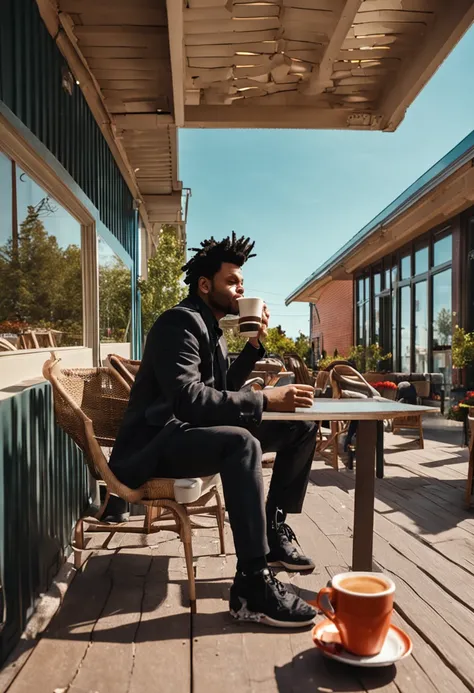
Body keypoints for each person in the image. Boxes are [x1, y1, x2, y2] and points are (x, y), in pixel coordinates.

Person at [110, 233, 318, 628]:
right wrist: (266, 400)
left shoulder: (213, 329)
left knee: (301, 426)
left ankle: (273, 531)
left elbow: (220, 391)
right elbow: (189, 399)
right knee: (240, 444)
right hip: (158, 443)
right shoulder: (180, 323)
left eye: (241, 282)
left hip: (188, 432)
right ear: (205, 285)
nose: (241, 289)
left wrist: (255, 348)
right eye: (232, 281)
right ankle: (252, 584)